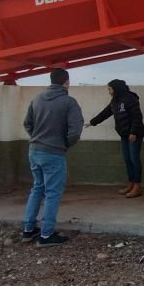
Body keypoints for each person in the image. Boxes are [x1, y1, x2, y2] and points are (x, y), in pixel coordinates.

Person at [21, 68, 84, 247]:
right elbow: (75, 130)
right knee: (52, 194)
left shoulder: (37, 98)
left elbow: (27, 123)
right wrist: (63, 144)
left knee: (37, 189)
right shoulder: (69, 102)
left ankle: (28, 230)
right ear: (67, 82)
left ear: (51, 80)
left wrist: (37, 138)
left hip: (34, 150)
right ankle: (46, 236)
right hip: (54, 153)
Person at [89, 79, 144, 198]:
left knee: (134, 160)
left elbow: (137, 116)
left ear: (116, 89)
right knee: (127, 159)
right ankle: (131, 184)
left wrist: (134, 132)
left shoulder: (130, 99)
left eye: (109, 89)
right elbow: (105, 113)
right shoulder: (115, 101)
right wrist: (92, 122)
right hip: (124, 135)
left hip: (134, 135)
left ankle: (137, 187)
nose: (108, 91)